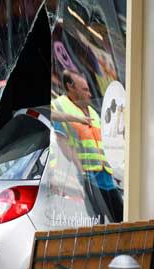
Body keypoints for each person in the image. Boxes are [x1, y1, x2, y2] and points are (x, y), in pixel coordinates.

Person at [51, 69, 123, 223]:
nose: (90, 94)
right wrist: (81, 170)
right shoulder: (59, 106)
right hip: (87, 178)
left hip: (106, 177)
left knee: (120, 220)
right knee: (97, 224)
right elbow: (62, 142)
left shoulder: (94, 113)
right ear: (70, 87)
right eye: (85, 89)